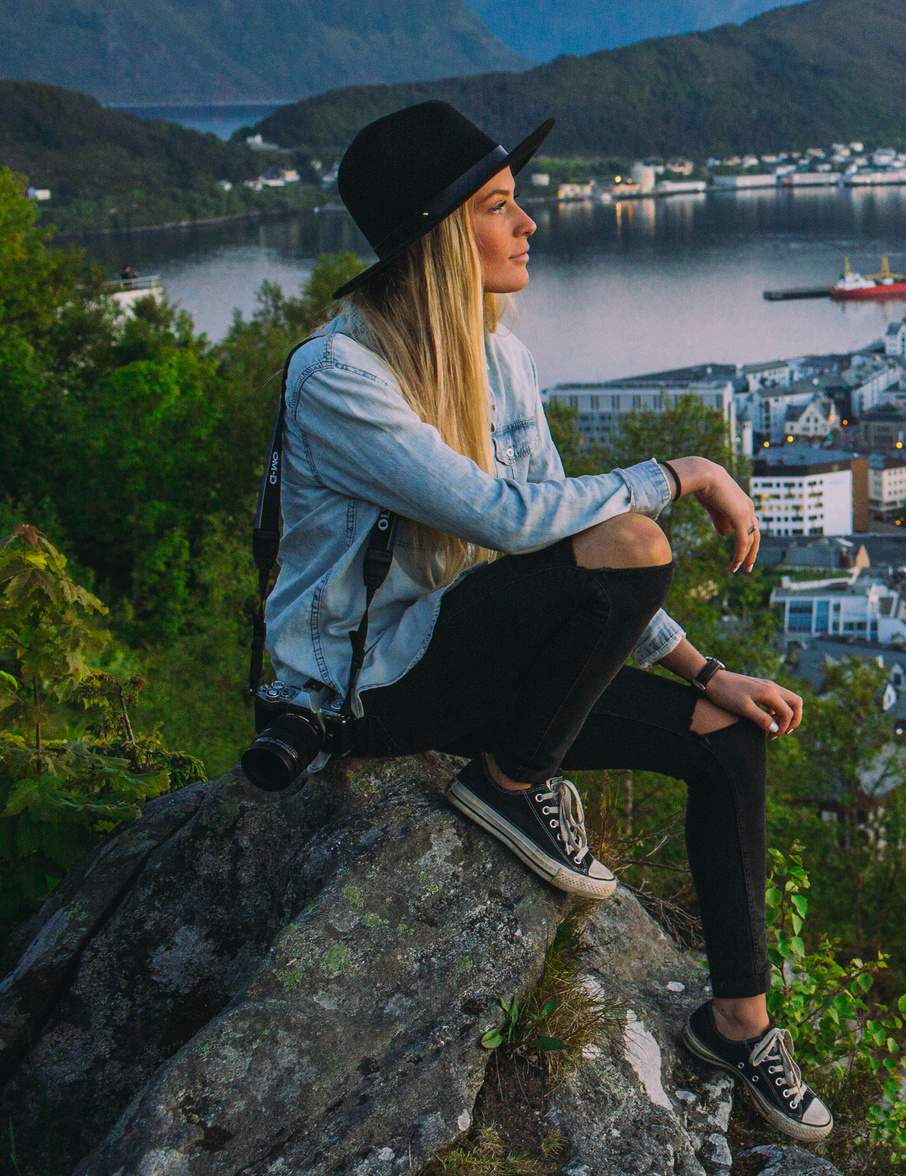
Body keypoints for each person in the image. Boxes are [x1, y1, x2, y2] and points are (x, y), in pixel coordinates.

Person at [262, 101, 831, 1142]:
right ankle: (512, 786)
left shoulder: (498, 358)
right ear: (440, 236)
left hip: (474, 656)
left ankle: (735, 1026)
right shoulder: (343, 376)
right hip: (377, 687)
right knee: (638, 537)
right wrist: (683, 471)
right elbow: (510, 520)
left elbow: (561, 541)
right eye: (499, 206)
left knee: (729, 737)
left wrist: (706, 674)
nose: (529, 224)